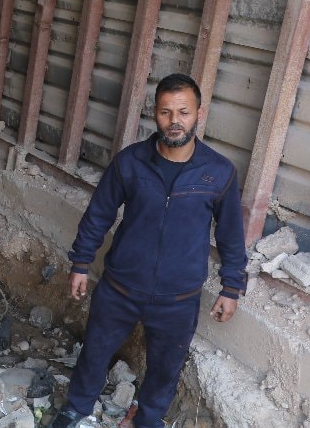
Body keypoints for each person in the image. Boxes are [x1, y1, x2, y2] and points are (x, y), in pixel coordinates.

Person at [51, 73, 247, 428]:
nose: (175, 121)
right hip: (120, 287)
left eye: (183, 112)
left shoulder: (219, 172)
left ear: (199, 114)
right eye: (165, 112)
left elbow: (231, 235)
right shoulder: (130, 162)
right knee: (95, 350)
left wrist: (231, 287)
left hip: (178, 297)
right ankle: (76, 408)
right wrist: (80, 263)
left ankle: (147, 418)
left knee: (165, 367)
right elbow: (99, 214)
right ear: (154, 113)